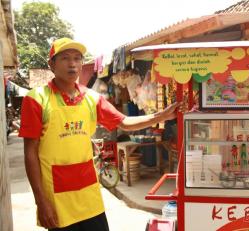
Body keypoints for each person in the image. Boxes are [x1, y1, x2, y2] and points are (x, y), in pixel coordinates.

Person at [19, 37, 181, 231]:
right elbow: (30, 154)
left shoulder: (91, 98)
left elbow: (124, 122)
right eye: (65, 58)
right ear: (52, 64)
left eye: (77, 58)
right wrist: (41, 201)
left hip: (89, 194)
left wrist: (159, 116)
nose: (73, 64)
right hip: (56, 196)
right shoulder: (36, 99)